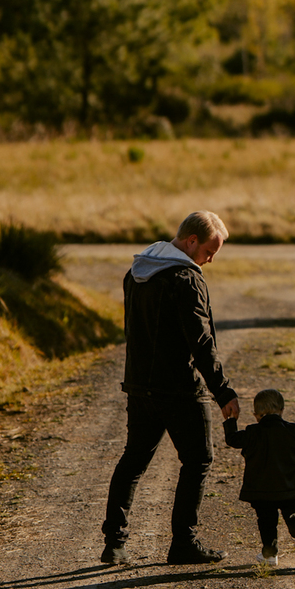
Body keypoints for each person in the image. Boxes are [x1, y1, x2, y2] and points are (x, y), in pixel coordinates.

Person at [100, 210, 240, 567]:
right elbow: (201, 342)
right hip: (179, 388)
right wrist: (222, 391)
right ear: (191, 241)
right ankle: (183, 543)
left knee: (133, 460)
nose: (211, 259)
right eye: (210, 251)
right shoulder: (186, 279)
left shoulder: (138, 271)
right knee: (198, 460)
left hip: (139, 385)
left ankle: (114, 544)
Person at [224, 387, 295, 565]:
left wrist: (232, 421)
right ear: (282, 410)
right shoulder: (294, 431)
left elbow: (232, 440)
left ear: (256, 414)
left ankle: (269, 554)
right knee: (292, 512)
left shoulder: (252, 433)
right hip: (287, 487)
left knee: (266, 522)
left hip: (261, 491)